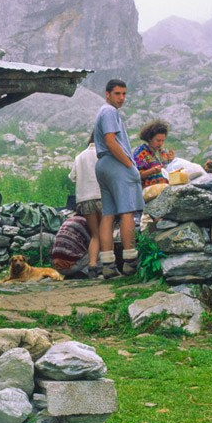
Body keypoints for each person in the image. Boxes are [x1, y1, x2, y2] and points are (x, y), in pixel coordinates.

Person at [93, 78, 143, 279]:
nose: (121, 98)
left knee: (108, 214)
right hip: (116, 164)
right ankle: (130, 263)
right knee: (127, 212)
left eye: (124, 94)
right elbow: (110, 140)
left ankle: (107, 265)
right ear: (107, 94)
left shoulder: (102, 112)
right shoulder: (109, 112)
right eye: (117, 94)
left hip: (102, 164)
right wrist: (129, 164)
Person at [68, 136, 102, 277]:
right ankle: (109, 266)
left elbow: (72, 177)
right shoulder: (103, 153)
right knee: (106, 232)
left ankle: (92, 266)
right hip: (102, 196)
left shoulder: (79, 156)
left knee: (95, 235)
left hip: (85, 199)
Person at [51, 205, 92, 279]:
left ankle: (70, 275)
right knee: (101, 250)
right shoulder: (85, 222)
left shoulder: (68, 220)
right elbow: (92, 243)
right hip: (70, 266)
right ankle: (84, 273)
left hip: (57, 266)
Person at [132, 119, 175, 189]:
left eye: (162, 140)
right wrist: (152, 170)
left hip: (165, 189)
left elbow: (166, 168)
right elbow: (136, 175)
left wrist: (171, 160)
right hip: (149, 191)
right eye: (158, 140)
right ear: (149, 138)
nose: (160, 143)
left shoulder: (162, 152)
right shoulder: (140, 153)